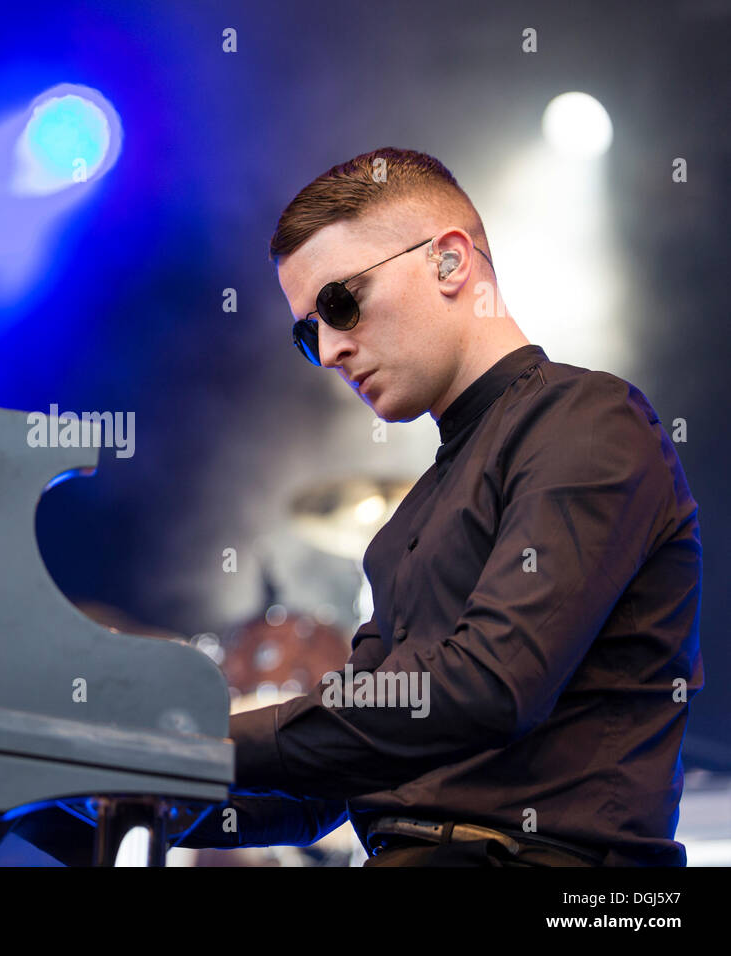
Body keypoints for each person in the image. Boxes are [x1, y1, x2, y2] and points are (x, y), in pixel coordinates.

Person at [177, 147, 702, 866]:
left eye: (339, 302)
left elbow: (486, 687)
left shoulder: (589, 421)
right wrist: (105, 790)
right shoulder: (403, 531)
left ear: (450, 262)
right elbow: (330, 777)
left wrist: (203, 742)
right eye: (308, 332)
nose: (329, 349)